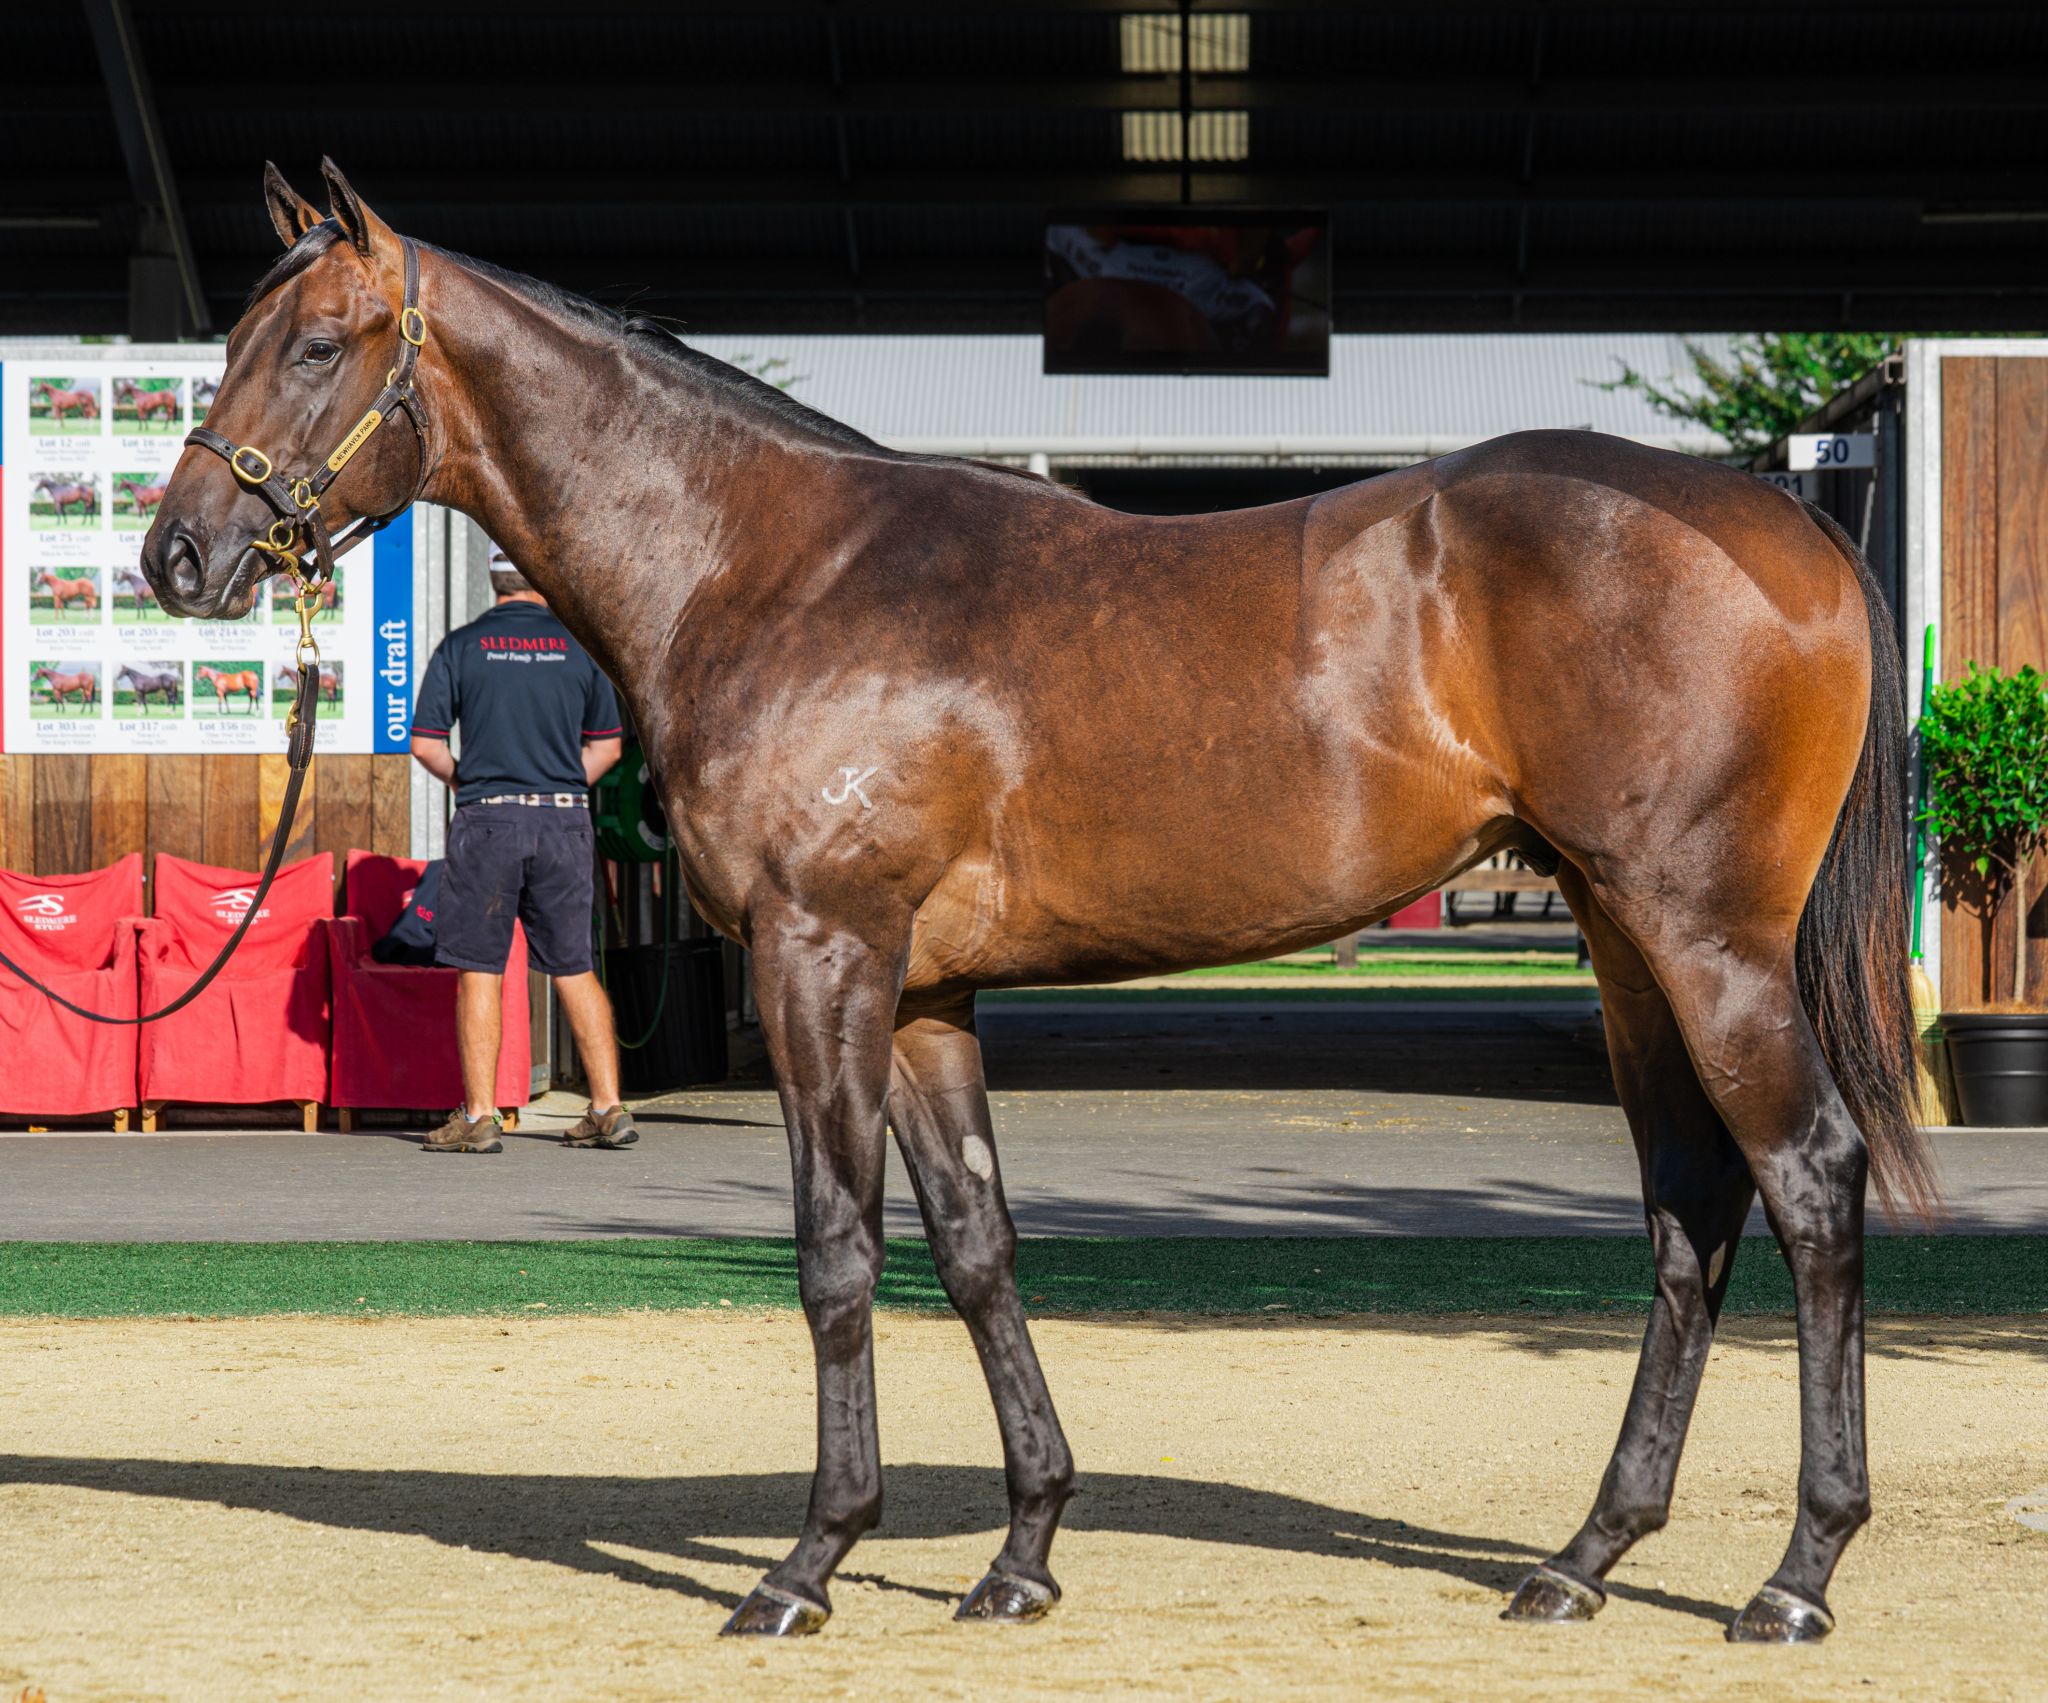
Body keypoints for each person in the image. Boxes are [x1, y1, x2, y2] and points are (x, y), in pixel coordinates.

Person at [408, 554, 637, 1154]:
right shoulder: (579, 648)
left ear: (492, 580)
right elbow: (609, 749)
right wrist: (559, 790)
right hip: (562, 821)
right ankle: (609, 1108)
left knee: (481, 970)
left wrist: (470, 785)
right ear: (541, 577)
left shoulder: (460, 646)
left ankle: (482, 1118)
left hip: (488, 820)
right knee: (574, 966)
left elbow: (427, 745)